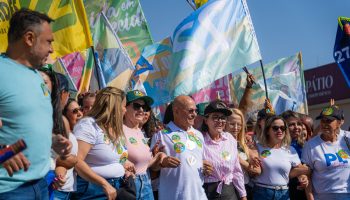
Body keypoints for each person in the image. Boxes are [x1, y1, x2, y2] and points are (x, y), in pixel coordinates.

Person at [0, 9, 70, 199]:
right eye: (48, 41)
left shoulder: (36, 76)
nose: (52, 49)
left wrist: (52, 140)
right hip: (9, 189)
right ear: (29, 38)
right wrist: (3, 151)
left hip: (40, 184)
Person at [71, 87, 132, 200]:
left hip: (117, 187)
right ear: (114, 107)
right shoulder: (88, 125)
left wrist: (124, 167)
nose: (125, 110)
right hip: (93, 190)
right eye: (123, 106)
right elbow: (77, 161)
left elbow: (110, 157)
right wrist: (104, 184)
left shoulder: (114, 128)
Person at [150, 95, 207, 200]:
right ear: (176, 111)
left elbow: (202, 163)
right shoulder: (161, 135)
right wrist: (162, 163)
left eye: (196, 111)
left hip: (199, 195)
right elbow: (152, 169)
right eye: (190, 111)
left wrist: (206, 168)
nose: (194, 114)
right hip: (173, 195)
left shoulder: (198, 135)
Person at [253, 115, 309, 200]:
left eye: (282, 128)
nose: (279, 130)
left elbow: (300, 170)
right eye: (275, 128)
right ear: (267, 131)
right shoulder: (257, 147)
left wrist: (303, 178)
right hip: (262, 192)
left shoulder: (290, 149)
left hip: (283, 193)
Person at [302, 105, 350, 200]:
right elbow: (307, 176)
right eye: (322, 120)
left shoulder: (347, 140)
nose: (324, 124)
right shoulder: (311, 145)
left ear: (339, 123)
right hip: (322, 196)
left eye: (329, 121)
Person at [201, 101, 247, 200]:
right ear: (206, 120)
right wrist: (199, 164)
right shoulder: (199, 140)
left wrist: (243, 195)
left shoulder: (230, 139)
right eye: (215, 117)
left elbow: (236, 170)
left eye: (223, 118)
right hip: (206, 192)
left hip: (228, 192)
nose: (220, 121)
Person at [225, 108, 261, 200]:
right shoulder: (220, 143)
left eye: (239, 124)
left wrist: (252, 160)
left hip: (246, 186)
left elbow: (256, 171)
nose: (236, 128)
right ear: (225, 123)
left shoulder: (243, 144)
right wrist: (243, 162)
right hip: (229, 188)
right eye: (232, 124)